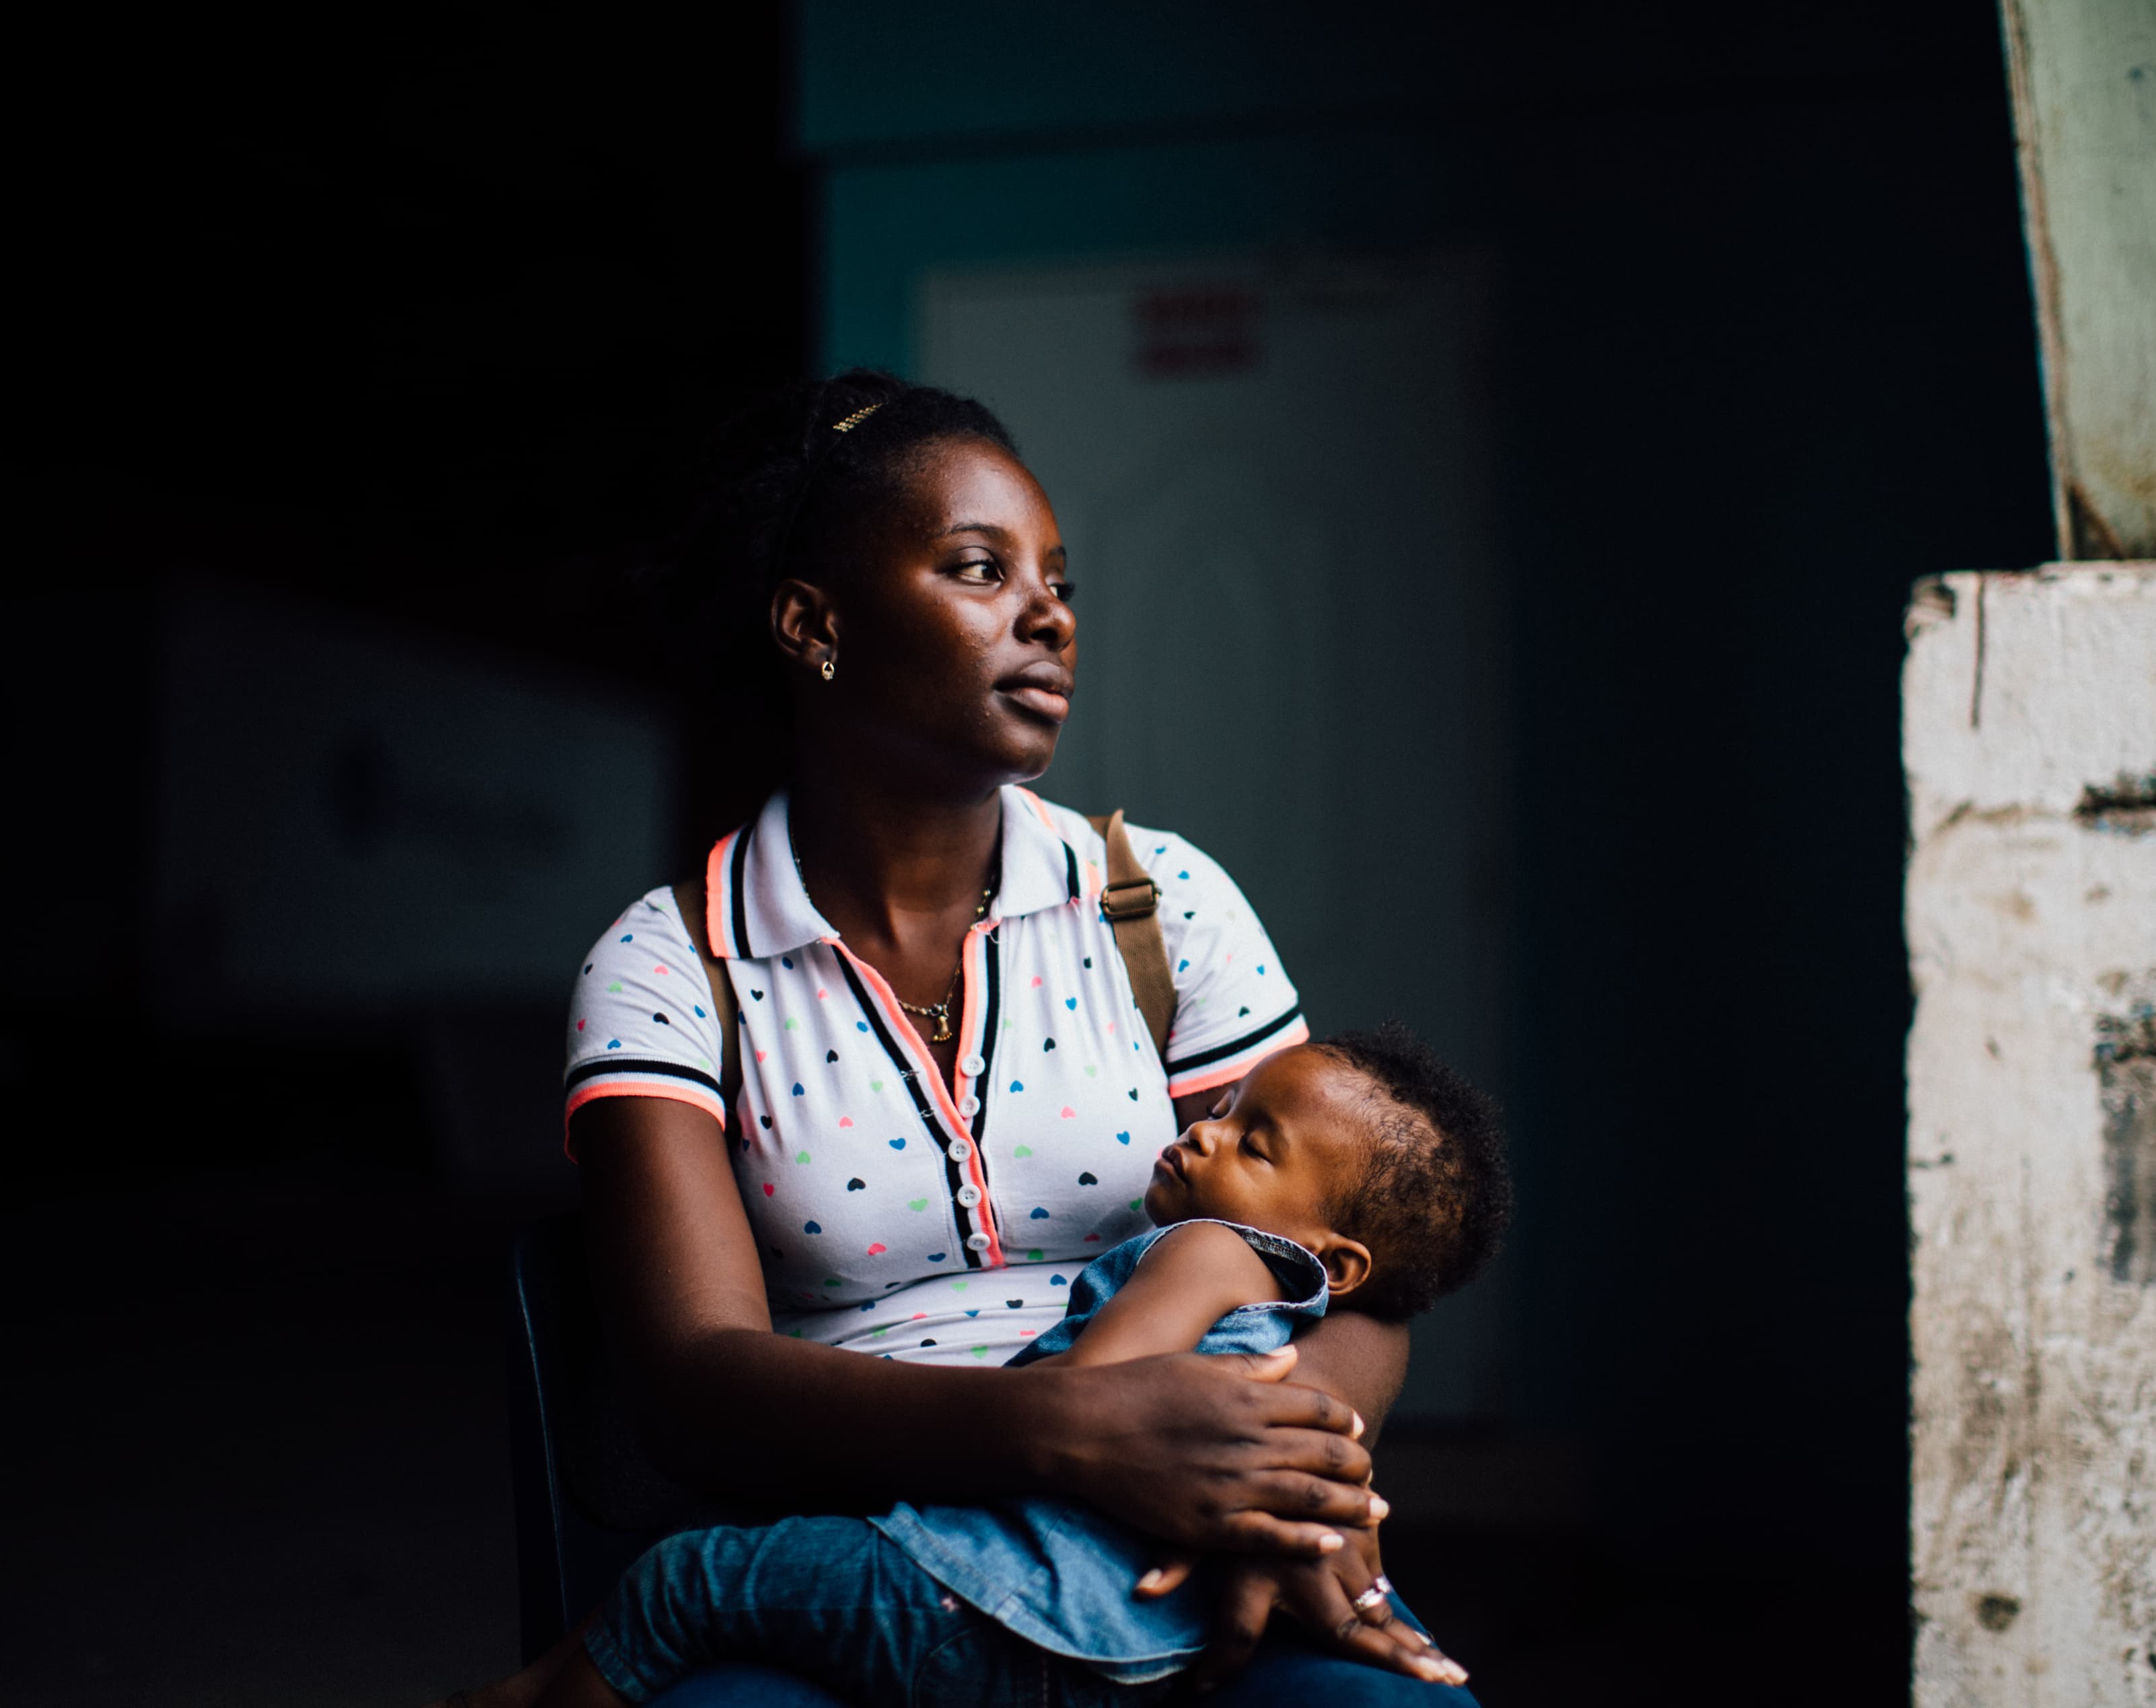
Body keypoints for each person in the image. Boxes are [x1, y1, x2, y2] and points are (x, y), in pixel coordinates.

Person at [528, 370, 1472, 1705]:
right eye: (982, 570)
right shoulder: (670, 966)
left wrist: (1288, 1481)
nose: (1051, 616)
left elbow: (1356, 1278)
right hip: (860, 1560)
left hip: (1168, 1543)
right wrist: (1063, 1427)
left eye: (1060, 582)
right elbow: (694, 1384)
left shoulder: (1165, 907)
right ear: (815, 625)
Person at [475, 1025, 1509, 1706]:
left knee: (688, 1581)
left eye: (1253, 1143)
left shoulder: (1204, 1249)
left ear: (1339, 1263)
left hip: (990, 1603)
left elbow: (1083, 1404)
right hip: (1145, 1639)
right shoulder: (1274, 1294)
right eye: (1224, 1108)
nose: (1203, 1131)